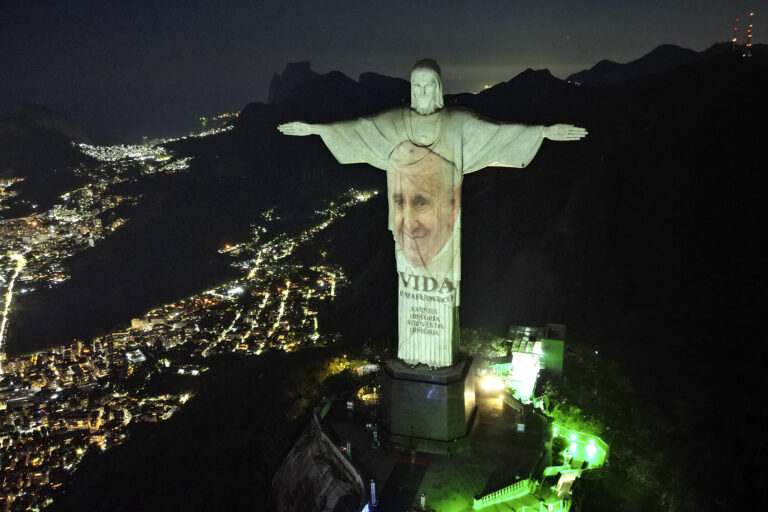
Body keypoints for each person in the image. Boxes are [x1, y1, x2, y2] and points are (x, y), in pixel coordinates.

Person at [278, 59, 586, 368]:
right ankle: (413, 356)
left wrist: (543, 132)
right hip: (407, 249)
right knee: (408, 284)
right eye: (417, 87)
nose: (422, 93)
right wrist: (316, 129)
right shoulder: (396, 123)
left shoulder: (456, 123)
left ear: (437, 90)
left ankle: (439, 360)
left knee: (442, 288)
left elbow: (497, 133)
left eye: (428, 87)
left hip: (444, 246)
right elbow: (360, 128)